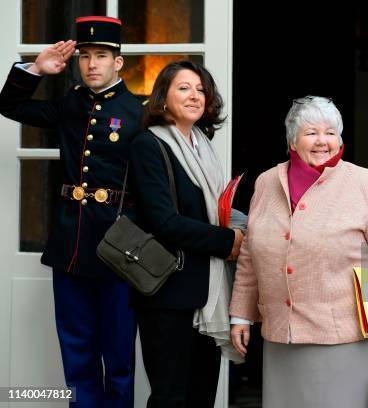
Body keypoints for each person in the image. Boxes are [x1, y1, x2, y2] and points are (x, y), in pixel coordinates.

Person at [229, 95, 368, 408]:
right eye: (311, 133)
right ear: (292, 140)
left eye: (331, 133)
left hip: (347, 338)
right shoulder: (267, 183)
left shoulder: (365, 183)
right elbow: (252, 254)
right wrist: (241, 314)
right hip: (281, 335)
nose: (323, 142)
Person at [0, 16, 143, 407]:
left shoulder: (140, 111)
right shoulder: (71, 105)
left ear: (118, 62)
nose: (91, 64)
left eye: (102, 56)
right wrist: (36, 69)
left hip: (119, 249)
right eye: (85, 56)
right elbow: (9, 105)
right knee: (76, 353)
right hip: (70, 246)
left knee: (118, 357)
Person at [129, 60, 243, 407]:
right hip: (168, 295)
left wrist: (243, 226)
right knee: (170, 398)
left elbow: (214, 210)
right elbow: (164, 221)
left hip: (207, 293)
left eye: (201, 90)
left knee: (201, 397)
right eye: (184, 88)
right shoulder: (149, 145)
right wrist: (227, 242)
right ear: (163, 97)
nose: (195, 96)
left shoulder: (203, 146)